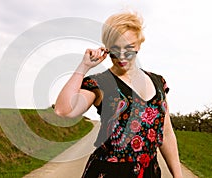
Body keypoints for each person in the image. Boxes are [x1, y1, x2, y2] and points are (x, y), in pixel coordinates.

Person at [54, 11, 183, 178]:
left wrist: (178, 175)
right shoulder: (99, 83)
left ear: (138, 45)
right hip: (109, 172)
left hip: (149, 172)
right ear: (107, 48)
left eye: (129, 49)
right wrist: (83, 67)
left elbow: (165, 134)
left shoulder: (158, 83)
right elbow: (63, 110)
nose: (122, 57)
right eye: (115, 50)